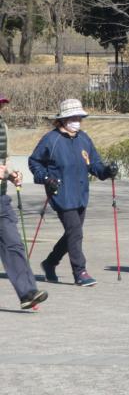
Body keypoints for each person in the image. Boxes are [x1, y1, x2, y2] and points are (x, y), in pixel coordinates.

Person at [29, 99, 118, 287]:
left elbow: (94, 164)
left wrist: (107, 171)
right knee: (75, 232)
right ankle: (80, 272)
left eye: (79, 117)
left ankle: (50, 262)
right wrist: (45, 178)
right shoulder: (50, 140)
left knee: (72, 233)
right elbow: (34, 162)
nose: (77, 121)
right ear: (63, 120)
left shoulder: (83, 138)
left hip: (80, 193)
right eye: (73, 117)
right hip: (60, 192)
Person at [0, 95, 48, 309]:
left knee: (14, 245)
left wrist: (11, 175)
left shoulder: (3, 128)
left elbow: (4, 161)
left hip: (1, 199)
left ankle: (28, 293)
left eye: (1, 105)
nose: (1, 108)